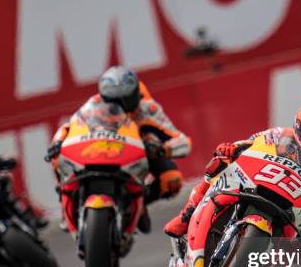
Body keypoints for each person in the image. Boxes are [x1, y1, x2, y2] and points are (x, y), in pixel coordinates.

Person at [164, 101, 301, 239]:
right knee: (220, 164)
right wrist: (231, 149)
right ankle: (186, 216)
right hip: (265, 184)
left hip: (298, 212)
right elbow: (250, 144)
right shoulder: (281, 136)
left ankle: (256, 266)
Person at [45, 66, 192, 232]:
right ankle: (65, 204)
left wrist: (162, 149)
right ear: (104, 96)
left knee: (171, 179)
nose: (120, 106)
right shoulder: (95, 104)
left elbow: (182, 142)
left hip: (140, 149)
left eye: (125, 99)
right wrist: (57, 144)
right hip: (102, 146)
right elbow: (69, 126)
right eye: (113, 101)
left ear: (135, 94)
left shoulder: (147, 109)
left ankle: (138, 201)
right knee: (58, 158)